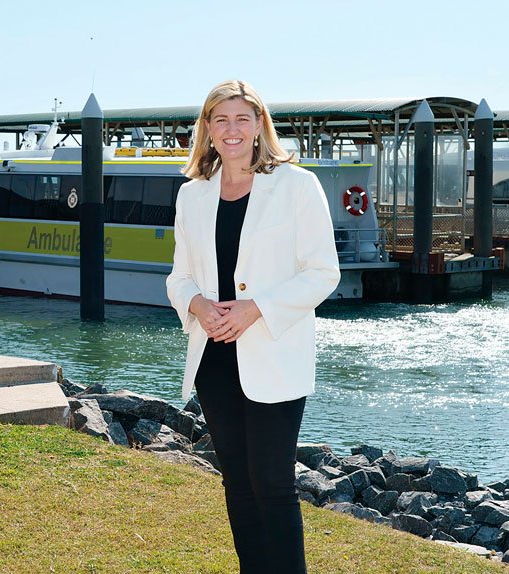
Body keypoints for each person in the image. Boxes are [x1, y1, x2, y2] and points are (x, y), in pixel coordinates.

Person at [166, 80, 340, 574]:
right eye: (220, 119)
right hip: (214, 356)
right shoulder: (191, 195)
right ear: (207, 129)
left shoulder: (296, 186)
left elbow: (323, 272)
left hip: (273, 355)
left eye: (243, 118)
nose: (232, 129)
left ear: (261, 125)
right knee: (237, 485)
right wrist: (197, 303)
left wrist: (256, 308)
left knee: (274, 485)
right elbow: (179, 277)